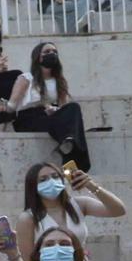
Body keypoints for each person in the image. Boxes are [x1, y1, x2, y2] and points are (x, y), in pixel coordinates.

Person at [7, 42, 90, 171]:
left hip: (50, 116)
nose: (51, 54)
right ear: (38, 57)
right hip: (29, 118)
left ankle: (68, 145)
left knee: (74, 108)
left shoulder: (59, 81)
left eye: (54, 52)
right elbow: (12, 105)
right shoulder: (26, 78)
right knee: (71, 128)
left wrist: (54, 110)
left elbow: (63, 107)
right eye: (47, 52)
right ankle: (77, 158)